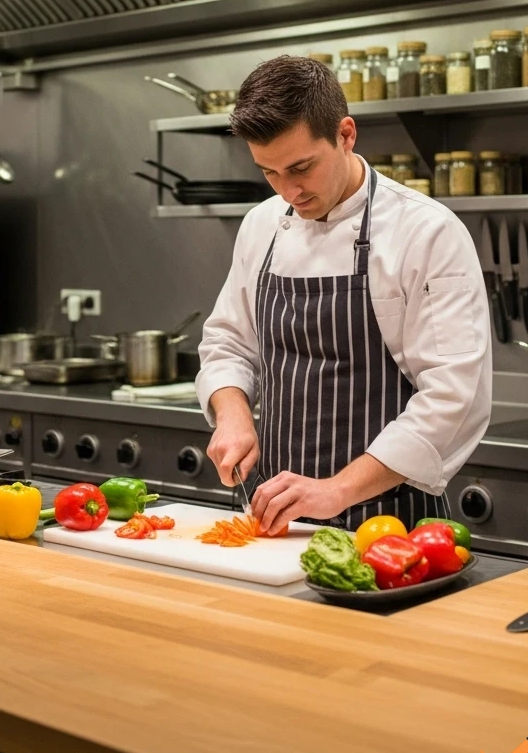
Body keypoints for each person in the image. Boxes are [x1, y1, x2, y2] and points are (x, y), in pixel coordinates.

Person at [196, 54, 491, 536]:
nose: (288, 190)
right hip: (273, 522)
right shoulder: (261, 226)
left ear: (346, 135)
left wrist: (337, 489)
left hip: (388, 525)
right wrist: (232, 415)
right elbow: (228, 342)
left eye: (301, 167)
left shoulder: (426, 232)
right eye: (269, 173)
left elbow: (454, 397)